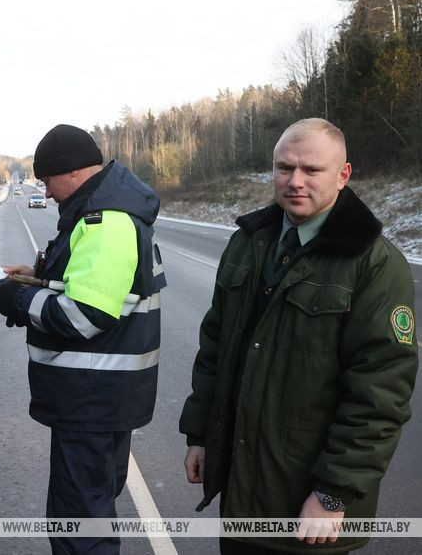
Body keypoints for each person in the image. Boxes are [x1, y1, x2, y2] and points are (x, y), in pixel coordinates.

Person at [179, 118, 418, 554]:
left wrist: (333, 493)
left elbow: (379, 394)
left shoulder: (374, 266)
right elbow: (215, 350)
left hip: (310, 507)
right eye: (284, 168)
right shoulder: (247, 244)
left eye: (312, 170)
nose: (295, 181)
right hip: (240, 494)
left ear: (343, 175)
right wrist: (200, 436)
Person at [0, 124, 166, 554]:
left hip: (92, 401)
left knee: (80, 527)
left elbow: (85, 315)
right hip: (99, 399)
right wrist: (35, 279)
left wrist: (18, 299)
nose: (47, 194)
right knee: (88, 512)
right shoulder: (106, 212)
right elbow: (93, 290)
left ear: (70, 173)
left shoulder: (105, 222)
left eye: (47, 182)